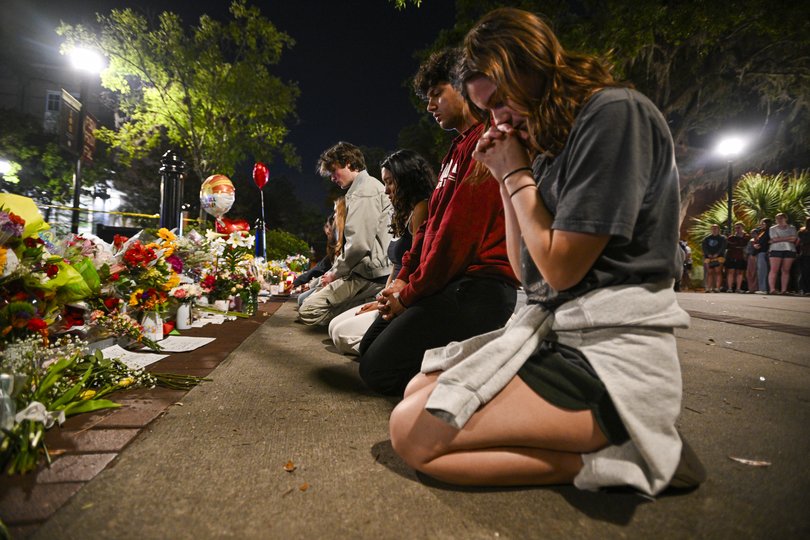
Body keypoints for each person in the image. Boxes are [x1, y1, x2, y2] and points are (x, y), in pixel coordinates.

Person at [388, 7, 703, 496]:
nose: (499, 120)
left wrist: (515, 174)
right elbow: (528, 273)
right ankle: (608, 446)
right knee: (415, 389)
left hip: (610, 352)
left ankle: (630, 453)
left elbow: (559, 270)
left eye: (499, 102)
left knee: (412, 435)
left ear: (529, 72)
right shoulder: (551, 145)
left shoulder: (614, 112)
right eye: (488, 110)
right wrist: (505, 176)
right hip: (561, 332)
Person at [357, 48, 519, 396]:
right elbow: (430, 229)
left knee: (377, 370)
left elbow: (455, 238)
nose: (430, 106)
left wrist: (411, 294)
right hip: (446, 283)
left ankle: (483, 378)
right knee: (368, 348)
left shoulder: (487, 144)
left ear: (463, 88)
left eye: (436, 95)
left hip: (479, 288)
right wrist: (401, 282)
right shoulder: (453, 152)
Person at [328, 150, 434, 355]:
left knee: (342, 335)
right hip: (391, 293)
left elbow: (416, 265)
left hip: (408, 298)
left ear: (408, 180)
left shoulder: (423, 208)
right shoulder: (402, 213)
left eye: (391, 183)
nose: (386, 191)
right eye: (384, 183)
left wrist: (387, 303)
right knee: (334, 327)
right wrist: (380, 300)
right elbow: (396, 266)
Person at [298, 142, 392, 325]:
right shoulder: (363, 188)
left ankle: (365, 308)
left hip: (370, 275)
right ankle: (356, 307)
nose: (332, 178)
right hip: (366, 270)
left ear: (348, 162)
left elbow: (358, 245)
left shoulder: (364, 192)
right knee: (304, 299)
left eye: (334, 171)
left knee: (308, 310)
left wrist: (334, 274)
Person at [295, 198, 345, 307]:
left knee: (304, 302)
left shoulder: (344, 242)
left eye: (328, 226)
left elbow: (325, 268)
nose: (327, 231)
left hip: (341, 283)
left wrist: (312, 284)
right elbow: (322, 267)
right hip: (331, 281)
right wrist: (308, 283)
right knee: (302, 300)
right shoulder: (335, 245)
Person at [768, 213, 798, 294]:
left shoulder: (792, 228)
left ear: (786, 218)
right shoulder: (772, 228)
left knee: (786, 270)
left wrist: (779, 239)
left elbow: (794, 239)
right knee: (774, 270)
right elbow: (773, 239)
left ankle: (784, 290)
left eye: (781, 218)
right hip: (775, 250)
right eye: (777, 218)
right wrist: (788, 238)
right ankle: (772, 289)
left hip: (789, 249)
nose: (779, 220)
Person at [724, 222, 749, 293]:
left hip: (741, 256)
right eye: (736, 228)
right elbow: (727, 246)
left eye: (739, 227)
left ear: (742, 228)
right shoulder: (731, 237)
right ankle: (729, 288)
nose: (737, 229)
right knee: (730, 272)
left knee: (740, 272)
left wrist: (735, 244)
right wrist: (736, 244)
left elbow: (743, 244)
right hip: (731, 256)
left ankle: (738, 288)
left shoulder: (746, 236)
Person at [702, 224, 726, 292]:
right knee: (709, 272)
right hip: (708, 257)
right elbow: (704, 247)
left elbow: (723, 247)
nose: (714, 230)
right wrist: (708, 254)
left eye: (716, 228)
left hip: (719, 257)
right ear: (711, 230)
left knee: (718, 272)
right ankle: (708, 288)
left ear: (719, 229)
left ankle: (717, 288)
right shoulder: (706, 238)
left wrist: (717, 254)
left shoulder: (722, 238)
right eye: (713, 228)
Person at [753, 218, 771, 294]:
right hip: (759, 252)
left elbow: (768, 241)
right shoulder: (761, 231)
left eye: (763, 223)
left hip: (765, 253)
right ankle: (762, 288)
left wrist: (759, 245)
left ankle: (764, 289)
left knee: (763, 271)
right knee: (761, 271)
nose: (761, 225)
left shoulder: (769, 231)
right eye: (761, 223)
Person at [744, 226, 759, 293]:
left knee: (756, 273)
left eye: (754, 233)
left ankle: (755, 288)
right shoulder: (751, 241)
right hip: (750, 258)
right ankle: (751, 288)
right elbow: (747, 250)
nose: (752, 234)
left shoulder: (760, 240)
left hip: (757, 257)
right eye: (751, 233)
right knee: (749, 273)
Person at [798, 217, 810, 295]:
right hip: (806, 254)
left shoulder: (802, 232)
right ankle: (805, 289)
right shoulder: (803, 232)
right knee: (805, 272)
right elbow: (804, 241)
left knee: (805, 272)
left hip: (806, 254)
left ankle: (805, 289)